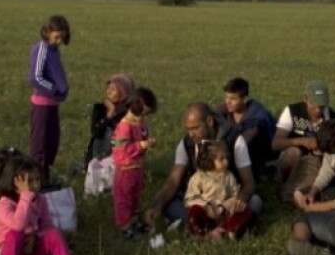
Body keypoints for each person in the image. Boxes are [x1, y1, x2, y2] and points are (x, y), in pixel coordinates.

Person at [143, 102, 264, 229]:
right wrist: (158, 206)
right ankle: (223, 226)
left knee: (254, 202)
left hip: (227, 199)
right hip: (201, 203)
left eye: (195, 128)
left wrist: (238, 202)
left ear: (210, 122)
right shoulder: (187, 143)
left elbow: (249, 183)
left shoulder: (235, 140)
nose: (191, 134)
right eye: (188, 129)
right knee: (167, 202)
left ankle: (208, 225)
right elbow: (174, 180)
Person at [271, 81, 335, 203]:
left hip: (316, 161)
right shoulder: (292, 111)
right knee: (293, 153)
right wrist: (300, 141)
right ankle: (284, 180)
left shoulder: (333, 118)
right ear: (305, 99)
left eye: (322, 106)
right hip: (294, 157)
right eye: (314, 105)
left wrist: (324, 150)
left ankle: (298, 192)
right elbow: (275, 144)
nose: (318, 110)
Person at [26, 15, 71, 184]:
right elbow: (34, 77)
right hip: (42, 105)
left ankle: (45, 176)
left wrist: (62, 92)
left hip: (53, 105)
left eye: (62, 37)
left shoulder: (54, 51)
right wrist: (54, 90)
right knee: (39, 145)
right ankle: (35, 179)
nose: (59, 41)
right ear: (47, 32)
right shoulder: (42, 48)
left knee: (52, 142)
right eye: (56, 37)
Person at [184, 139, 254, 239]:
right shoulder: (198, 177)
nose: (226, 161)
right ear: (209, 161)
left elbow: (235, 195)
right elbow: (189, 199)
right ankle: (203, 234)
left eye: (226, 158)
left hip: (224, 213)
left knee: (244, 209)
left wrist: (225, 206)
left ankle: (230, 231)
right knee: (194, 211)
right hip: (207, 214)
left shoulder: (229, 176)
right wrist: (206, 207)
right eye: (221, 159)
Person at [113, 86, 158, 238]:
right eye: (146, 111)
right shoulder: (125, 126)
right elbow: (123, 148)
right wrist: (142, 145)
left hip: (137, 167)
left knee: (135, 195)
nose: (146, 116)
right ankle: (124, 225)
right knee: (124, 197)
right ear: (138, 104)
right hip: (126, 168)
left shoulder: (140, 123)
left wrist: (147, 141)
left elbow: (143, 135)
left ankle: (132, 219)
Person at [85, 73, 136, 166]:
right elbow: (96, 132)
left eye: (113, 89)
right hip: (99, 155)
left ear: (124, 94)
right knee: (109, 131)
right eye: (108, 88)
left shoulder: (129, 113)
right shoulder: (100, 109)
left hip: (121, 156)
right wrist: (110, 114)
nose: (109, 92)